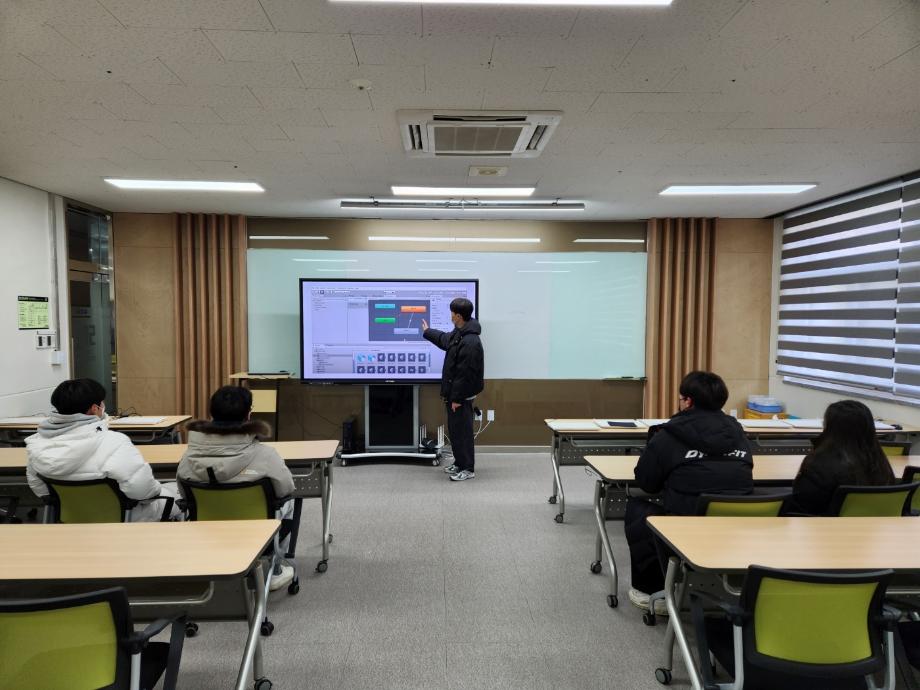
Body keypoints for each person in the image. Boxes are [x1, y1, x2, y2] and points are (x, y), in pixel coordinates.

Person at [624, 371, 753, 612]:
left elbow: (646, 483)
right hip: (738, 530)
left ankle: (654, 592)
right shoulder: (739, 435)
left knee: (637, 508)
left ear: (688, 401)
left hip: (685, 530)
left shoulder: (668, 435)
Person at [177, 385, 297, 590]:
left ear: (211, 415)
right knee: (291, 502)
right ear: (248, 415)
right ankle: (275, 570)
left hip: (205, 534)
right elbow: (286, 488)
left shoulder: (188, 456)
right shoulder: (266, 456)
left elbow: (183, 492)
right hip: (258, 537)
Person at [26, 378, 181, 522]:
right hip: (126, 517)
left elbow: (40, 488)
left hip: (70, 517)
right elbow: (143, 493)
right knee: (177, 493)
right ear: (95, 408)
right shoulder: (114, 442)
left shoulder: (38, 443)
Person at [788, 399, 896, 516]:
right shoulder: (881, 465)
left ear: (829, 428)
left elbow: (800, 506)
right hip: (874, 525)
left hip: (825, 526)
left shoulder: (818, 465)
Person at [422, 297, 484, 482]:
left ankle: (468, 468)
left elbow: (465, 375)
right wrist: (428, 331)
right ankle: (459, 463)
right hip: (455, 395)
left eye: (452, 313)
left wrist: (457, 398)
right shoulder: (460, 333)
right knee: (456, 432)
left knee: (463, 433)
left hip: (461, 397)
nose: (450, 316)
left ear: (458, 316)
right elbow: (445, 340)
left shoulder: (471, 341)